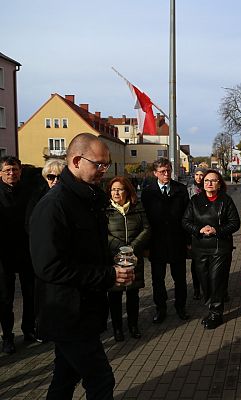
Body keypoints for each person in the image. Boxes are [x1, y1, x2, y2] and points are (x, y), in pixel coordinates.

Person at [29, 133, 134, 399]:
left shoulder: (87, 199)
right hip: (67, 313)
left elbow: (87, 250)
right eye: (99, 164)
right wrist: (108, 275)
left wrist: (113, 263)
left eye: (106, 165)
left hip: (85, 311)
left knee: (65, 378)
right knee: (101, 381)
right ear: (76, 160)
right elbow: (49, 266)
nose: (104, 171)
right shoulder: (54, 205)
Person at [182, 170, 240, 329]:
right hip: (200, 248)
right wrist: (199, 229)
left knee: (216, 280)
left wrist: (216, 230)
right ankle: (212, 306)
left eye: (213, 181)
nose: (209, 183)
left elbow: (235, 223)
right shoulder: (195, 200)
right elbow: (185, 221)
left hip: (219, 248)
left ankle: (216, 313)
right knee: (204, 281)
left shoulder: (226, 201)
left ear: (219, 184)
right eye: (206, 180)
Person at [141, 158, 190, 323]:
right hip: (157, 244)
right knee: (157, 280)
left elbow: (187, 217)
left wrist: (188, 241)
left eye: (168, 170)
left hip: (177, 242)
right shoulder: (148, 192)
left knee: (180, 279)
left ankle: (180, 307)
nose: (167, 174)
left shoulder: (181, 190)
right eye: (163, 171)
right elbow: (145, 221)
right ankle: (160, 309)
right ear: (155, 173)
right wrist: (146, 246)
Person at [106, 176, 151, 342]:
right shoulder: (106, 209)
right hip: (114, 258)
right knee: (115, 296)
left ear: (127, 191)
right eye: (113, 189)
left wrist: (132, 247)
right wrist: (119, 247)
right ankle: (117, 329)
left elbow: (146, 228)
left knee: (133, 294)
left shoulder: (137, 207)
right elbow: (102, 234)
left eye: (120, 189)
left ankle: (133, 326)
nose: (116, 192)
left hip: (133, 257)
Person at [0, 155, 36, 354]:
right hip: (3, 253)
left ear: (20, 171)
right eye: (7, 171)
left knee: (30, 293)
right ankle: (7, 336)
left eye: (14, 170)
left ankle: (29, 329)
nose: (11, 173)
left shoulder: (29, 190)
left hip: (25, 250)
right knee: (5, 298)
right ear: (0, 174)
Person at [25, 158, 67, 231]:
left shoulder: (71, 195)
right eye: (51, 177)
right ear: (46, 178)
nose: (55, 181)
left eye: (60, 177)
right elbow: (29, 222)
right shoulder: (37, 196)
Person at [186, 167, 206, 300]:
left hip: (208, 229)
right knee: (195, 263)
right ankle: (196, 289)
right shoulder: (188, 190)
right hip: (194, 230)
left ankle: (207, 288)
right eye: (196, 174)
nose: (199, 177)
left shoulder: (208, 188)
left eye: (201, 175)